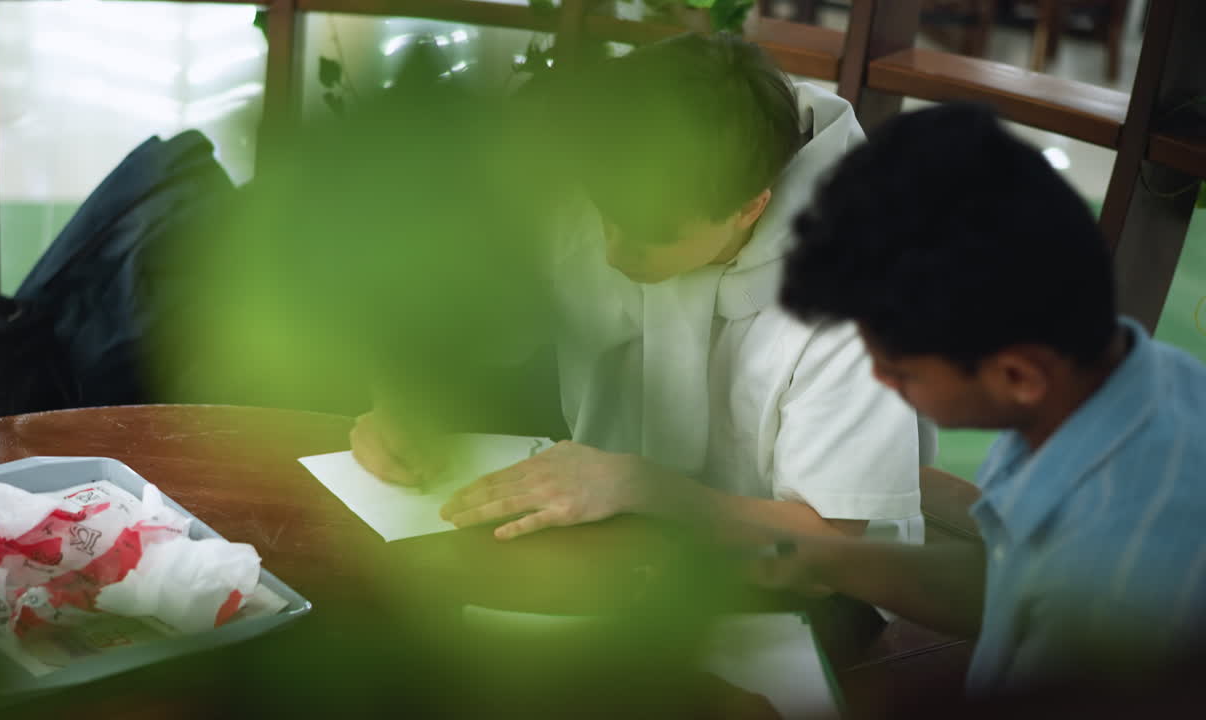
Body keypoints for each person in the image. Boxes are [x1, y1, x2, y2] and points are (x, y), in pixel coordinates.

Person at [357, 33, 930, 545]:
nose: (614, 253)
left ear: (750, 206)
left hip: (802, 585)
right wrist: (403, 405)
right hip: (619, 534)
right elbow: (471, 322)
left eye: (652, 237)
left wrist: (640, 486)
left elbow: (834, 542)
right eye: (608, 218)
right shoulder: (607, 185)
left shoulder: (859, 287)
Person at [763, 102, 1206, 694]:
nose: (878, 385)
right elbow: (1014, 577)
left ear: (1017, 375)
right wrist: (817, 558)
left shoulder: (1117, 592)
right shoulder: (1131, 380)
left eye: (899, 371)